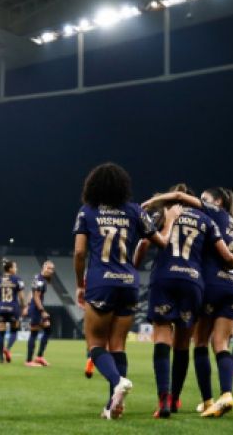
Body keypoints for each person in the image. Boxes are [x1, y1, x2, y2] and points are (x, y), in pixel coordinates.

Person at [73, 162, 172, 419]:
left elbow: (80, 252)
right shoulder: (135, 211)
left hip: (101, 282)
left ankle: (118, 382)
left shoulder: (87, 211)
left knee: (95, 345)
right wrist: (170, 220)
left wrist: (80, 284)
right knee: (118, 345)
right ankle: (114, 405)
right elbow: (161, 242)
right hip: (129, 282)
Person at [137, 186, 233, 418]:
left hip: (164, 277)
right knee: (182, 343)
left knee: (162, 336)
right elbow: (225, 254)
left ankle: (164, 399)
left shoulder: (164, 213)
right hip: (193, 282)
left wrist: (134, 267)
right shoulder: (207, 219)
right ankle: (175, 399)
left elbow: (144, 243)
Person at [0, 259, 25, 364]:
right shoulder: (17, 279)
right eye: (15, 267)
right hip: (13, 309)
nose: (16, 269)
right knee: (14, 332)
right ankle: (7, 348)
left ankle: (1, 358)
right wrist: (23, 307)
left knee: (1, 334)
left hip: (1, 309)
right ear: (10, 269)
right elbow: (21, 297)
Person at [24, 261, 55, 367]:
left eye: (52, 269)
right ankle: (28, 361)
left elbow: (31, 293)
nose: (50, 271)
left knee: (48, 329)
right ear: (43, 268)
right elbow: (36, 297)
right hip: (36, 309)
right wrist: (42, 311)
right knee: (34, 333)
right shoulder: (40, 281)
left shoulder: (38, 278)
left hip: (35, 308)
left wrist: (27, 305)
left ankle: (39, 357)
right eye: (48, 268)